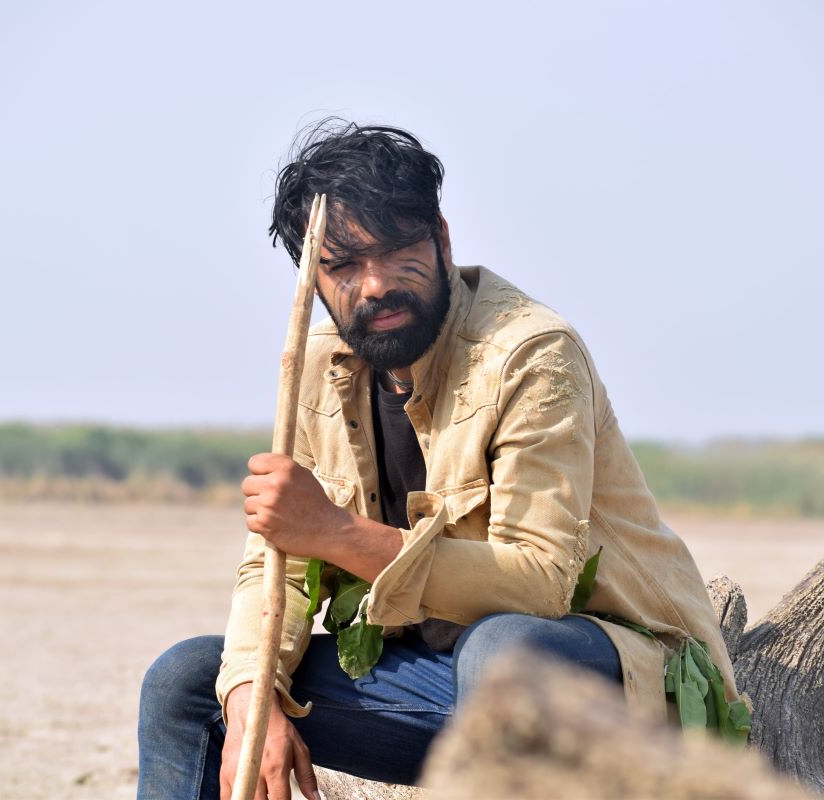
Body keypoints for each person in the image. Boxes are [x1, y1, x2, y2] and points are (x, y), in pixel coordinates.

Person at [137, 121, 740, 800]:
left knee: (502, 650)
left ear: (442, 241)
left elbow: (540, 584)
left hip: (621, 687)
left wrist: (334, 533)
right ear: (311, 279)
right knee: (191, 680)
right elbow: (277, 569)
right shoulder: (314, 366)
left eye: (398, 253)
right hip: (443, 689)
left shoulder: (530, 355)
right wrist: (253, 694)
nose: (375, 285)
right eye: (343, 265)